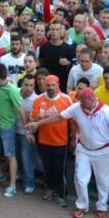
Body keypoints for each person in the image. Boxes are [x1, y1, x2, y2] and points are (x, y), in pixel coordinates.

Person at [43, 87, 109, 218]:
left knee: (102, 180)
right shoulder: (77, 108)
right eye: (80, 101)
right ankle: (82, 205)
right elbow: (59, 116)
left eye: (83, 101)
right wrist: (39, 123)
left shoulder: (106, 111)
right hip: (84, 149)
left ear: (91, 100)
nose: (80, 104)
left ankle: (102, 206)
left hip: (103, 151)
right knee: (80, 178)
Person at [27, 75, 73, 206]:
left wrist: (73, 138)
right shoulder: (38, 100)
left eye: (53, 85)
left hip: (61, 142)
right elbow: (33, 120)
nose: (50, 88)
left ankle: (61, 194)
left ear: (58, 86)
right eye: (48, 85)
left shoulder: (66, 99)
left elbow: (72, 121)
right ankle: (49, 188)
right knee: (47, 167)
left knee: (60, 169)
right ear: (44, 86)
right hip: (44, 140)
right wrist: (33, 126)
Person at [0, 63, 28, 198]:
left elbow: (20, 109)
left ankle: (13, 186)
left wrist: (27, 129)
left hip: (7, 127)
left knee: (10, 155)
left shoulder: (12, 90)